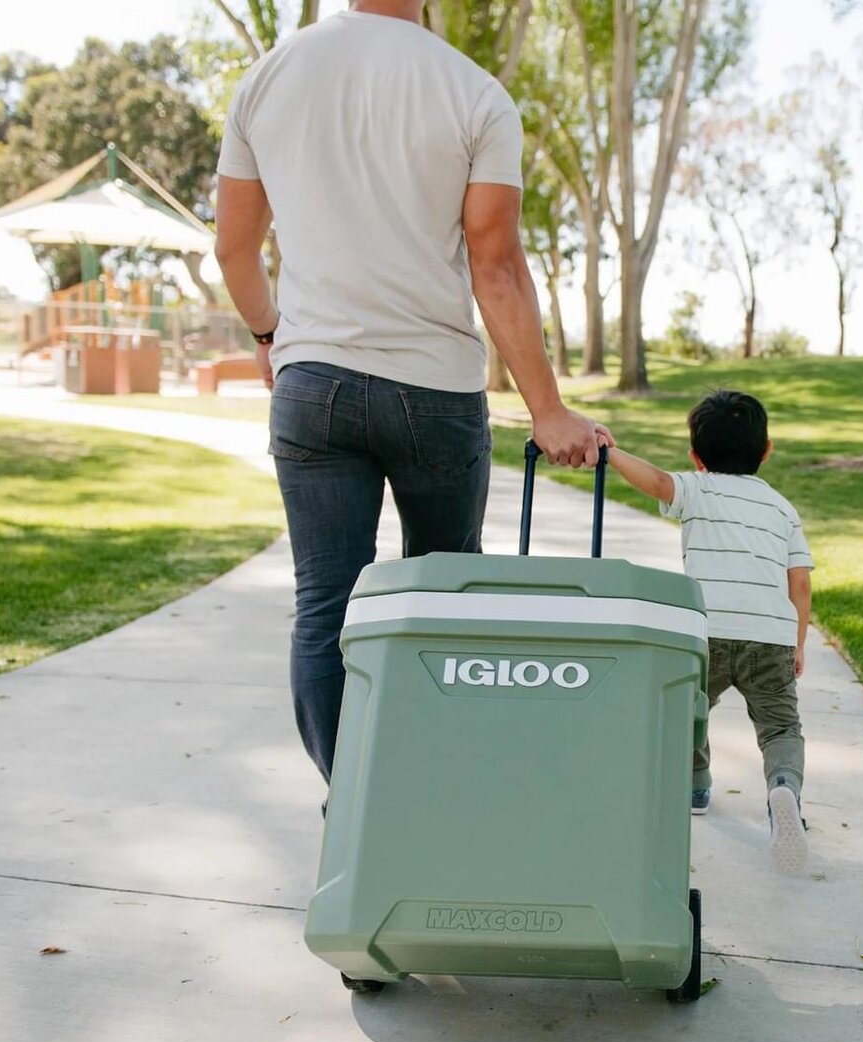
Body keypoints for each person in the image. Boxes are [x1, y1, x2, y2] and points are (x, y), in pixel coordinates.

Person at [214, 0, 610, 785]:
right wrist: (548, 409)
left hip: (312, 383)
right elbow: (495, 268)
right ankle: (429, 800)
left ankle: (355, 805)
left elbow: (233, 249)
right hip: (434, 392)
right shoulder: (474, 92)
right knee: (445, 598)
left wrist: (269, 336)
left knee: (326, 605)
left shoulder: (270, 75)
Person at [606, 391, 814, 874]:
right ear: (767, 450)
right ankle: (783, 788)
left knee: (691, 713)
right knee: (780, 727)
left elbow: (656, 482)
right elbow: (799, 582)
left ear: (695, 457)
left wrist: (609, 450)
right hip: (772, 637)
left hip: (707, 633)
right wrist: (798, 642)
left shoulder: (697, 489)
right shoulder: (783, 509)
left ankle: (696, 785)